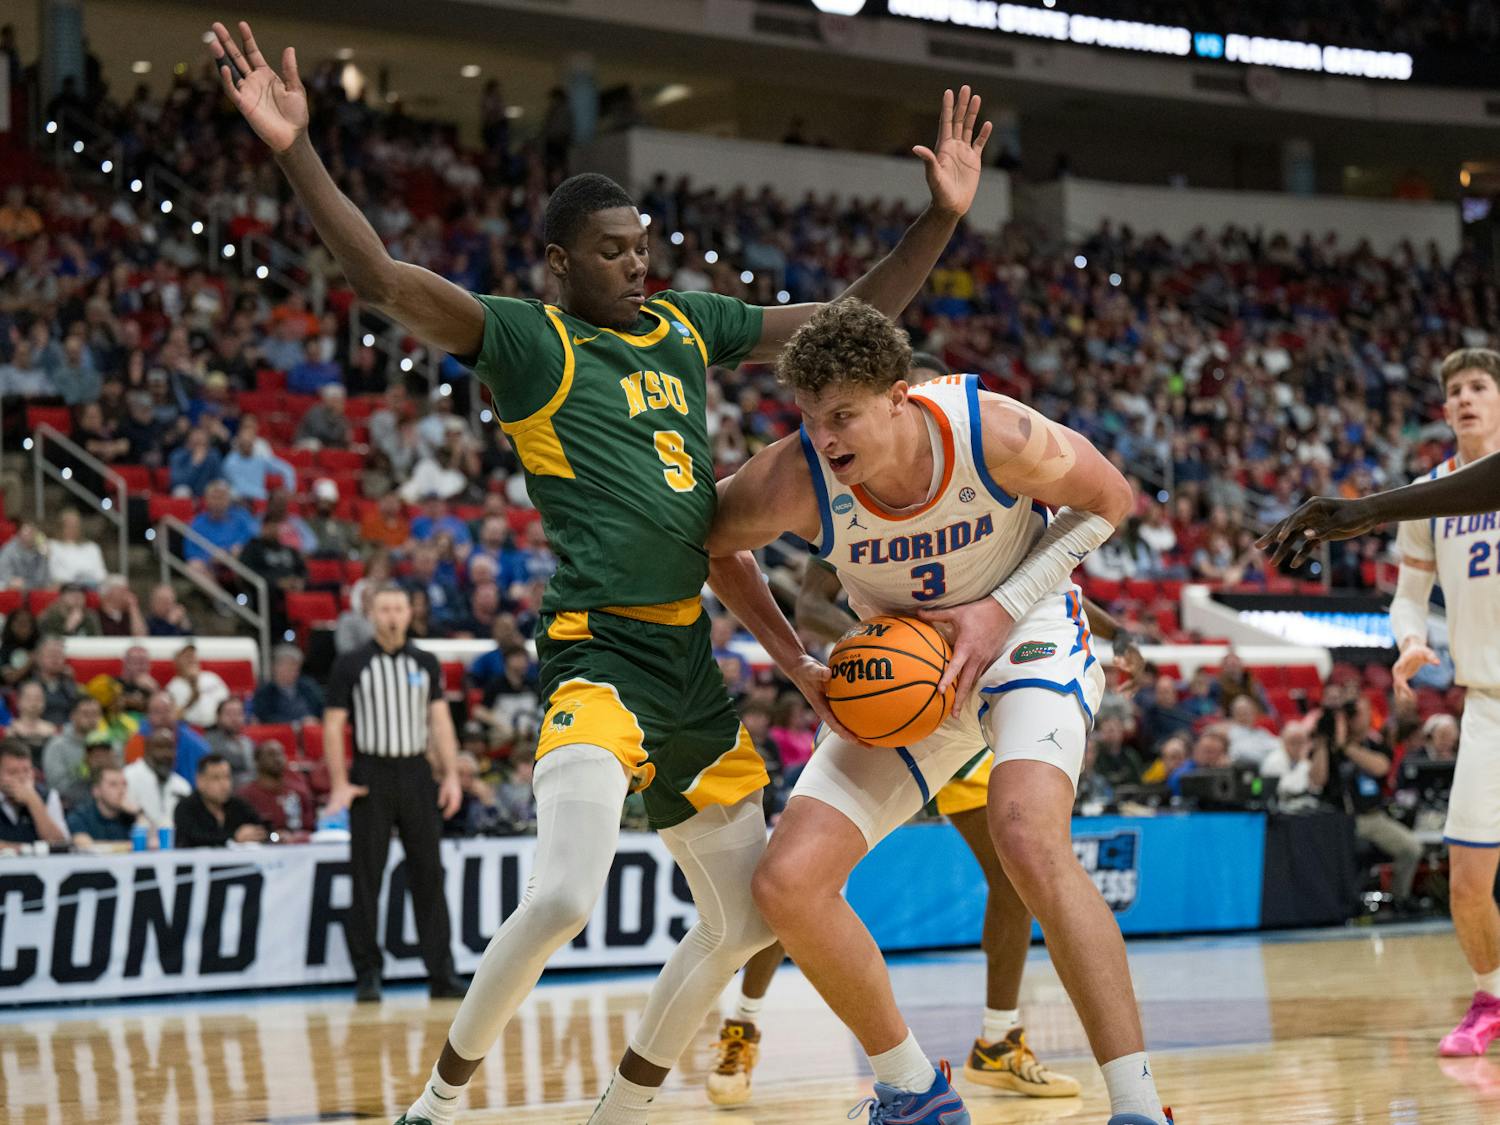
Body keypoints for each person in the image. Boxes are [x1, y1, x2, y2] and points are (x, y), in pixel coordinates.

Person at [212, 22, 990, 1123]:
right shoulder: (530, 342)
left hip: (686, 662)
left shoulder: (681, 328)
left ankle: (619, 1112)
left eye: (643, 244)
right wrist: (294, 148)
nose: (640, 262)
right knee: (569, 894)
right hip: (595, 653)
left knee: (746, 921)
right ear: (561, 263)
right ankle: (434, 1108)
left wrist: (942, 217)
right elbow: (380, 277)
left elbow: (837, 330)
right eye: (616, 250)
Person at [703, 300, 1168, 1125]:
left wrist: (1002, 604)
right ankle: (915, 1091)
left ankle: (1136, 1107)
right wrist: (800, 664)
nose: (827, 438)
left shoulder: (989, 431)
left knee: (1026, 835)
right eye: (811, 419)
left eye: (843, 415)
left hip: (1026, 631)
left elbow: (1110, 498)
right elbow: (713, 546)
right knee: (788, 881)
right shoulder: (795, 474)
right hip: (910, 665)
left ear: (899, 394)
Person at [1262, 347, 1500, 1056]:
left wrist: (1360, 510)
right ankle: (1490, 997)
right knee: (1465, 877)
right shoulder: (1430, 495)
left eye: (1480, 385)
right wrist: (1409, 640)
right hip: (1487, 700)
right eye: (1453, 389)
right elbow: (1408, 595)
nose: (1464, 398)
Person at [322, 586, 465, 1002]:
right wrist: (338, 783)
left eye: (399, 608)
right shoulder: (351, 664)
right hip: (372, 774)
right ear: (371, 613)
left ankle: (442, 973)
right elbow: (333, 726)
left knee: (429, 876)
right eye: (385, 608)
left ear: (409, 612)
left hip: (417, 773)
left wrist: (452, 776)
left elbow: (440, 723)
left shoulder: (425, 662)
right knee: (367, 877)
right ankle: (368, 974)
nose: (392, 616)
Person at [175, 753, 269, 847]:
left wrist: (272, 835)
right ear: (200, 781)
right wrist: (234, 837)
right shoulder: (185, 807)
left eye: (227, 777)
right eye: (216, 778)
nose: (224, 785)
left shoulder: (238, 805)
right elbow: (195, 837)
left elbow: (262, 828)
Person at [124, 691, 211, 781]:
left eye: (167, 710)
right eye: (157, 711)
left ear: (176, 712)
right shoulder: (136, 743)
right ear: (147, 715)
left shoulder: (197, 745)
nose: (163, 716)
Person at [40, 695, 106, 808]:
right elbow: (57, 787)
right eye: (86, 714)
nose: (92, 719)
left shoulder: (107, 744)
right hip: (70, 807)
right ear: (72, 716)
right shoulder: (57, 746)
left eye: (95, 714)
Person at [0, 739, 69, 845]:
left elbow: (59, 843)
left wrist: (33, 801)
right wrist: (21, 849)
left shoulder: (49, 796)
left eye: (26, 770)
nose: (22, 777)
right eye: (13, 772)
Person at [237, 739, 314, 833]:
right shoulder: (245, 795)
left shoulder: (298, 791)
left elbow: (310, 826)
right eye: (271, 754)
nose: (277, 759)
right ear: (257, 761)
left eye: (280, 754)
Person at [124, 729, 193, 829]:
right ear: (147, 749)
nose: (166, 754)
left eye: (170, 748)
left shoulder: (182, 785)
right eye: (160, 747)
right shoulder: (127, 777)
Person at [67, 762, 141, 846]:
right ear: (96, 791)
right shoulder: (80, 816)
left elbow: (151, 843)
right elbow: (86, 845)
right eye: (113, 784)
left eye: (124, 784)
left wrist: (138, 815)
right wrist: (131, 845)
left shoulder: (130, 815)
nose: (121, 790)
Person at [251, 644, 324, 723]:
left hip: (312, 730)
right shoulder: (265, 692)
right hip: (281, 732)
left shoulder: (308, 686)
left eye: (294, 666)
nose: (291, 670)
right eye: (287, 665)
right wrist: (298, 722)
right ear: (275, 667)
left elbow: (323, 708)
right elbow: (265, 717)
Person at [166, 643, 232, 729]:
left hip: (219, 728)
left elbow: (229, 703)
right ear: (177, 662)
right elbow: (172, 717)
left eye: (193, 655)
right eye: (186, 656)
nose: (191, 659)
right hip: (190, 729)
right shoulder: (172, 687)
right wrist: (192, 698)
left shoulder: (212, 677)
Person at [47, 509, 107, 588]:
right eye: (69, 526)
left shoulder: (92, 547)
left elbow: (101, 574)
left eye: (76, 526)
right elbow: (55, 573)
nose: (73, 529)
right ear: (61, 527)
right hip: (67, 587)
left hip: (94, 586)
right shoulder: (52, 545)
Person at [30, 638, 82, 727]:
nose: (55, 659)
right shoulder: (30, 686)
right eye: (51, 655)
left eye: (59, 655)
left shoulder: (70, 684)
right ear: (38, 658)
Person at [205, 697, 257, 782]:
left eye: (239, 713)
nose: (235, 718)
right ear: (218, 717)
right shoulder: (209, 743)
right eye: (229, 714)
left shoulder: (248, 742)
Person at [8, 680, 59, 762]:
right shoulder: (10, 730)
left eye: (38, 698)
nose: (34, 702)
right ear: (18, 701)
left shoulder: (52, 729)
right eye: (29, 698)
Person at [0, 522, 48, 589]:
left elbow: (42, 579)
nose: (30, 535)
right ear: (19, 533)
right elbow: (3, 574)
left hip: (33, 588)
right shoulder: (9, 549)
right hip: (12, 587)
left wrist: (44, 556)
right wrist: (10, 580)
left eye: (33, 532)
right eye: (27, 532)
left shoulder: (40, 550)